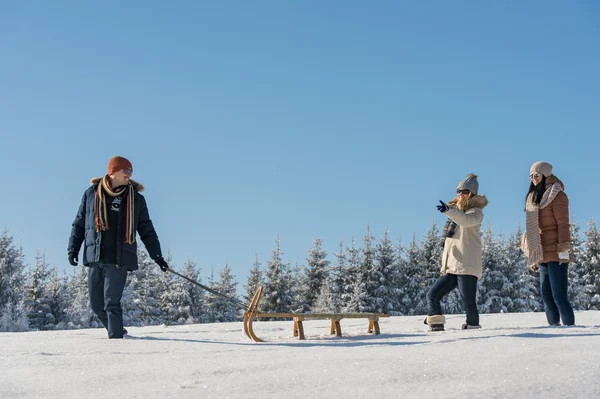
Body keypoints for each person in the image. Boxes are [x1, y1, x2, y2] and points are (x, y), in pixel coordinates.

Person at [67, 156, 170, 338]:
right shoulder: (91, 194)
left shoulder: (135, 199)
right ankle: (118, 332)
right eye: (126, 171)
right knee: (96, 305)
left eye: (131, 171)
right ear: (113, 171)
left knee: (111, 303)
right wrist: (73, 248)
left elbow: (147, 230)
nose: (129, 175)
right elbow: (80, 224)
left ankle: (116, 341)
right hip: (95, 256)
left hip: (118, 259)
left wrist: (157, 257)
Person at [425, 174, 488, 331]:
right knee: (432, 295)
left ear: (472, 194)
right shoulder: (455, 214)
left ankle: (473, 326)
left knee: (468, 301)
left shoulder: (476, 212)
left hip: (466, 264)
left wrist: (449, 211)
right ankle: (436, 325)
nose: (460, 194)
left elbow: (464, 221)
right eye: (458, 191)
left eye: (464, 191)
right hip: (452, 266)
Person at [521, 161, 574, 326]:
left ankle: (571, 330)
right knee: (546, 295)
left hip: (557, 250)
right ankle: (554, 327)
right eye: (531, 176)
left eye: (537, 174)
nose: (533, 178)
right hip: (541, 251)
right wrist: (533, 250)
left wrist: (564, 249)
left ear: (546, 175)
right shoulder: (533, 198)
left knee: (559, 295)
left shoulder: (557, 195)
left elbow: (563, 224)